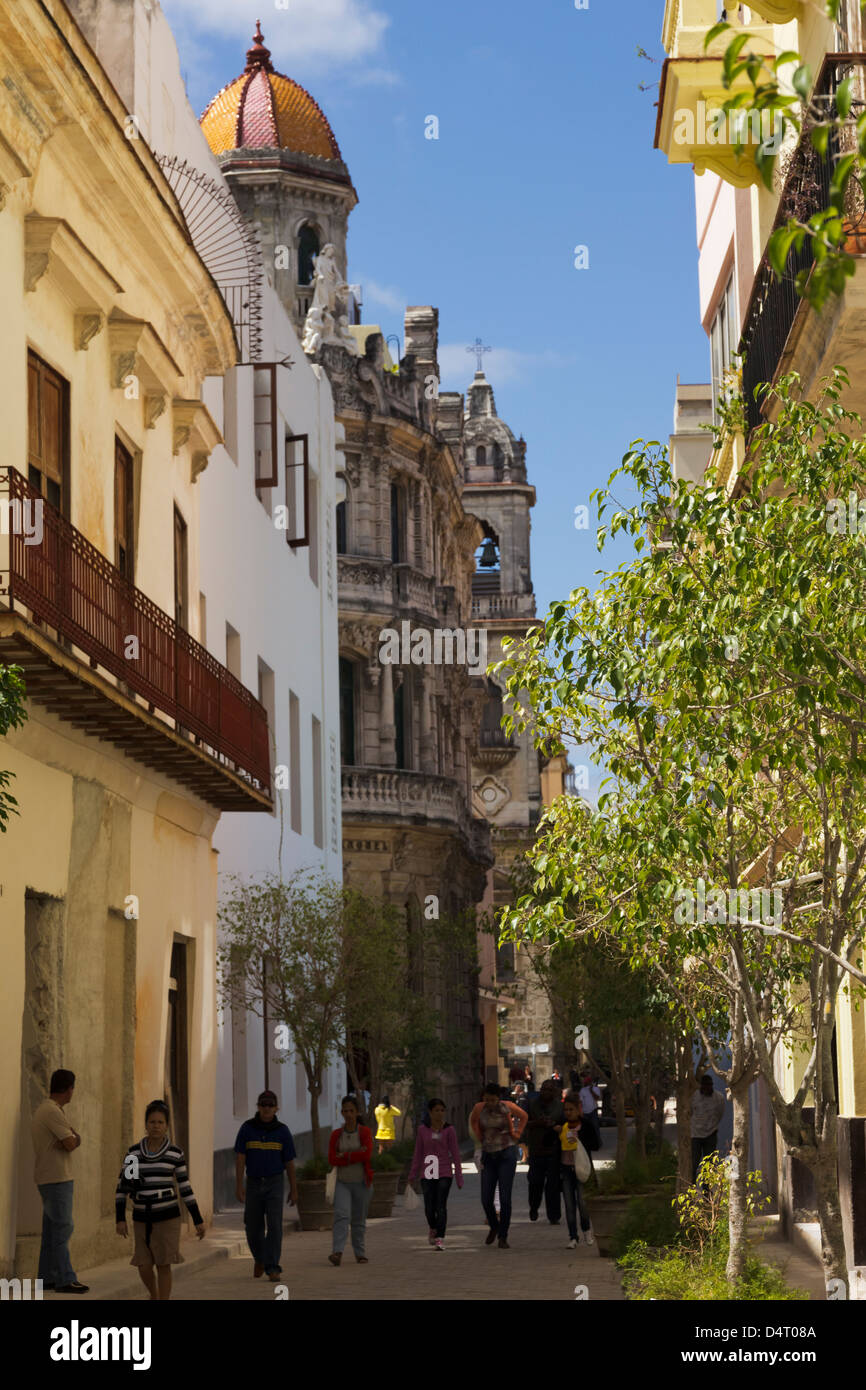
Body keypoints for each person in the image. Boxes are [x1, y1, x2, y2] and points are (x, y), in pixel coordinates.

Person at [115, 1099, 205, 1301]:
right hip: (141, 1217)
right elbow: (122, 1188)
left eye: (160, 1122)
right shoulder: (133, 1154)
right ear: (146, 1124)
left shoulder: (175, 1153)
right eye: (152, 1122)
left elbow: (185, 1187)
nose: (156, 1126)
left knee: (164, 1264)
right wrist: (120, 1218)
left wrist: (197, 1219)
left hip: (167, 1216)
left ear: (166, 1125)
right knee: (143, 1264)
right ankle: (154, 1295)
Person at [31, 1069, 87, 1294]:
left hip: (48, 1178)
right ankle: (65, 1278)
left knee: (52, 1231)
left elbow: (71, 1139)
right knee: (63, 1228)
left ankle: (46, 1278)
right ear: (69, 1088)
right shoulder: (53, 1112)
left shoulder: (48, 1110)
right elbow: (71, 1143)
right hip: (57, 1179)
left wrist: (71, 1137)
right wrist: (72, 1137)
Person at [234, 1089, 298, 1282]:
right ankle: (260, 1259)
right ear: (258, 1107)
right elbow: (240, 1157)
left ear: (276, 1108)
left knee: (275, 1226)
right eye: (263, 1105)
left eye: (270, 1105)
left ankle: (272, 1267)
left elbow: (289, 1162)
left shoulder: (282, 1131)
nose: (267, 1108)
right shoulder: (247, 1128)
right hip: (253, 1182)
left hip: (275, 1183)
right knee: (252, 1227)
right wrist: (239, 1185)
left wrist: (294, 1189)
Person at [468, 1082, 527, 1249]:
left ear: (499, 1098)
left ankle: (503, 1235)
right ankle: (494, 1225)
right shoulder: (479, 1108)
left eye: (493, 1100)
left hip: (506, 1154)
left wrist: (517, 1134)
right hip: (489, 1154)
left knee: (505, 1197)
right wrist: (479, 1137)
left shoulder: (507, 1106)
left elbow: (524, 1116)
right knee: (486, 1198)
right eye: (488, 1100)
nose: (491, 1103)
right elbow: (473, 1121)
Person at [408, 1097, 463, 1250]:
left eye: (442, 1110)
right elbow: (418, 1153)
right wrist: (412, 1175)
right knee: (429, 1208)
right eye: (436, 1110)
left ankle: (440, 1237)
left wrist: (458, 1176)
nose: (439, 1113)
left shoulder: (449, 1130)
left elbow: (456, 1154)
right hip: (428, 1171)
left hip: (444, 1171)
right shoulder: (422, 1130)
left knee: (441, 1206)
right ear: (430, 1112)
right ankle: (433, 1227)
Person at [328, 1095, 374, 1265]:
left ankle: (360, 1253)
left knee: (359, 1219)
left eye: (351, 1111)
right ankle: (337, 1252)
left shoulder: (364, 1132)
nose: (348, 1114)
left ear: (357, 1112)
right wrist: (355, 1155)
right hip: (342, 1182)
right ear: (341, 1113)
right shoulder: (336, 1135)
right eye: (345, 1111)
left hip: (362, 1182)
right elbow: (332, 1159)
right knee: (341, 1215)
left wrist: (345, 1156)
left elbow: (367, 1154)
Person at [525, 1079, 565, 1223]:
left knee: (553, 1186)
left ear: (554, 1092)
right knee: (535, 1183)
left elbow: (565, 1124)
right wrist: (537, 1123)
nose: (546, 1092)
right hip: (536, 1150)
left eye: (549, 1089)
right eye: (544, 1089)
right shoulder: (532, 1104)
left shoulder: (560, 1107)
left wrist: (554, 1125)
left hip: (553, 1150)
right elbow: (524, 1123)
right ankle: (534, 1207)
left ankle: (554, 1216)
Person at [559, 1094, 594, 1248]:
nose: (568, 1113)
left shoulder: (586, 1124)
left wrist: (579, 1138)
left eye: (571, 1109)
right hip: (566, 1169)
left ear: (578, 1110)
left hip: (581, 1168)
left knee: (583, 1203)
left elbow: (596, 1144)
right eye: (566, 1110)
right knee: (569, 1204)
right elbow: (551, 1143)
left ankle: (586, 1230)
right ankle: (573, 1236)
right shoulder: (562, 1125)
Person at [690, 1075, 726, 1180]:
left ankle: (707, 1191)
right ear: (701, 1086)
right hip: (695, 1135)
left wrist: (712, 1125)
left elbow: (720, 1113)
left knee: (709, 1165)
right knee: (694, 1163)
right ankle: (692, 1189)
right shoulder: (694, 1096)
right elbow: (690, 1112)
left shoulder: (719, 1098)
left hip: (711, 1134)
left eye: (709, 1085)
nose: (707, 1088)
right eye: (704, 1085)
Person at [578, 1072, 602, 1154]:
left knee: (595, 1127)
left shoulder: (596, 1089)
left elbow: (597, 1097)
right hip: (585, 1113)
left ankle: (598, 1143)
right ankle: (586, 1144)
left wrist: (591, 1090)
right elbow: (580, 1102)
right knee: (585, 1129)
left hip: (593, 1111)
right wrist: (580, 1112)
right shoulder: (582, 1090)